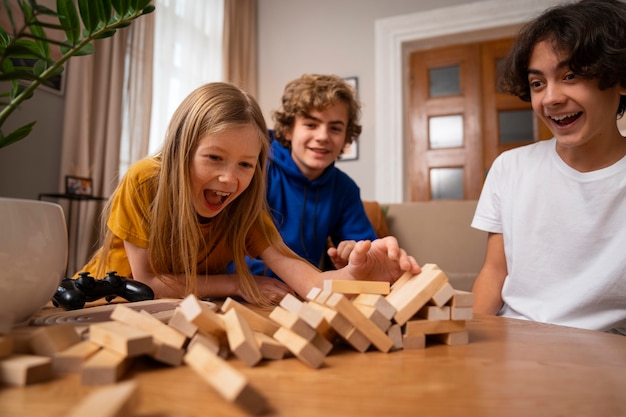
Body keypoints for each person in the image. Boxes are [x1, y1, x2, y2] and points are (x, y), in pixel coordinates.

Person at [80, 82, 420, 306]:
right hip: (102, 302)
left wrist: (355, 277)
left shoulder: (243, 203)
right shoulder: (145, 181)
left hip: (182, 309)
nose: (229, 179)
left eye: (246, 164)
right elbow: (146, 283)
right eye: (214, 158)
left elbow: (309, 280)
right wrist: (238, 283)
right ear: (181, 149)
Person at [471, 0, 626, 334]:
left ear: (620, 79)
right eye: (538, 83)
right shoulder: (510, 168)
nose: (550, 98)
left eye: (570, 76)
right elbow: (495, 272)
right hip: (512, 340)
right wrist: (466, 346)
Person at [241, 74, 379, 279]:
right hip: (245, 289)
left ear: (346, 138)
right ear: (288, 129)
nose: (322, 136)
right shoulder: (254, 167)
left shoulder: (343, 188)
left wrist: (356, 251)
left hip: (305, 293)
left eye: (335, 128)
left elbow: (368, 250)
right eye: (311, 124)